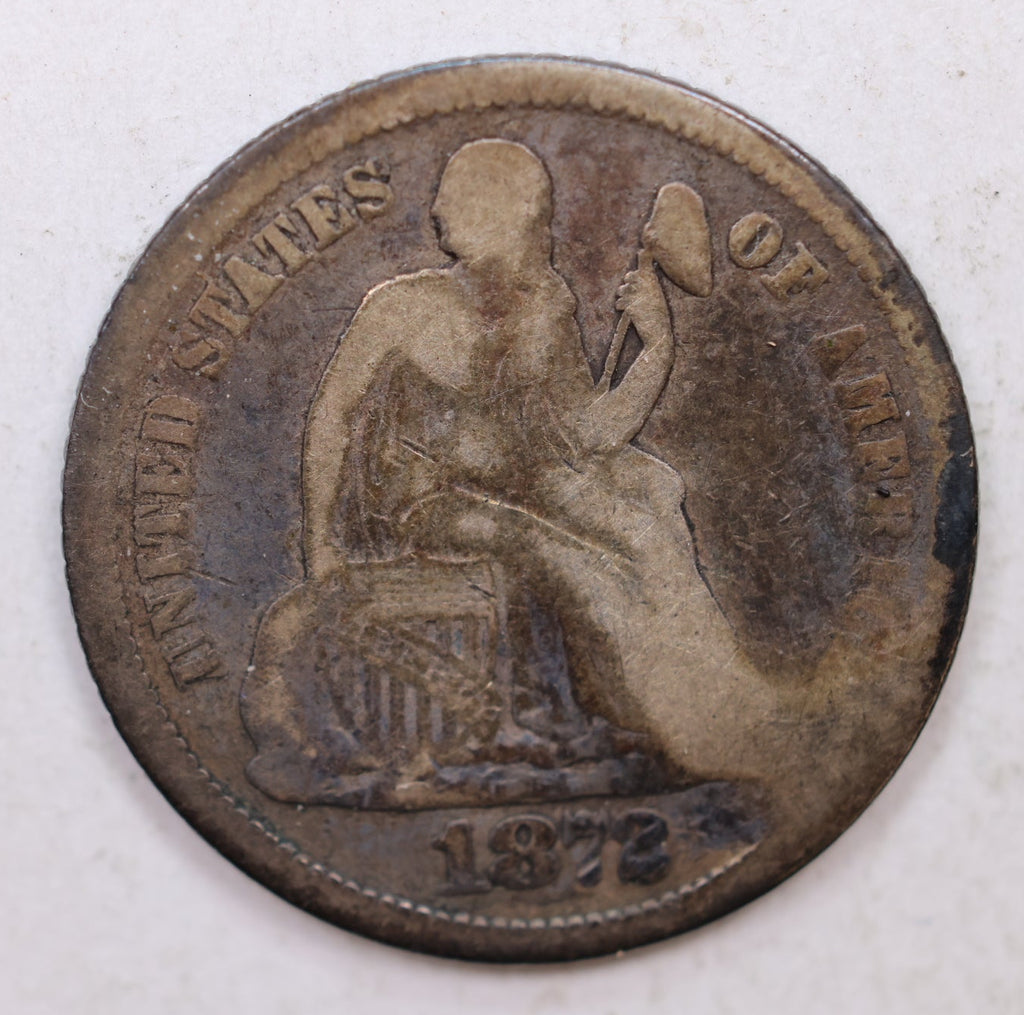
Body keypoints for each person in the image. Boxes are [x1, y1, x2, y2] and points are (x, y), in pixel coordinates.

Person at [244, 138, 767, 805]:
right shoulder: (399, 306)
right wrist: (320, 544)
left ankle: (727, 707)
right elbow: (331, 419)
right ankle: (662, 724)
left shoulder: (545, 307)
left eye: (455, 196)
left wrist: (656, 345)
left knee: (647, 522)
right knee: (572, 561)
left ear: (502, 212)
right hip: (426, 506)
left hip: (523, 488)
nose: (437, 211)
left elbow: (589, 437)